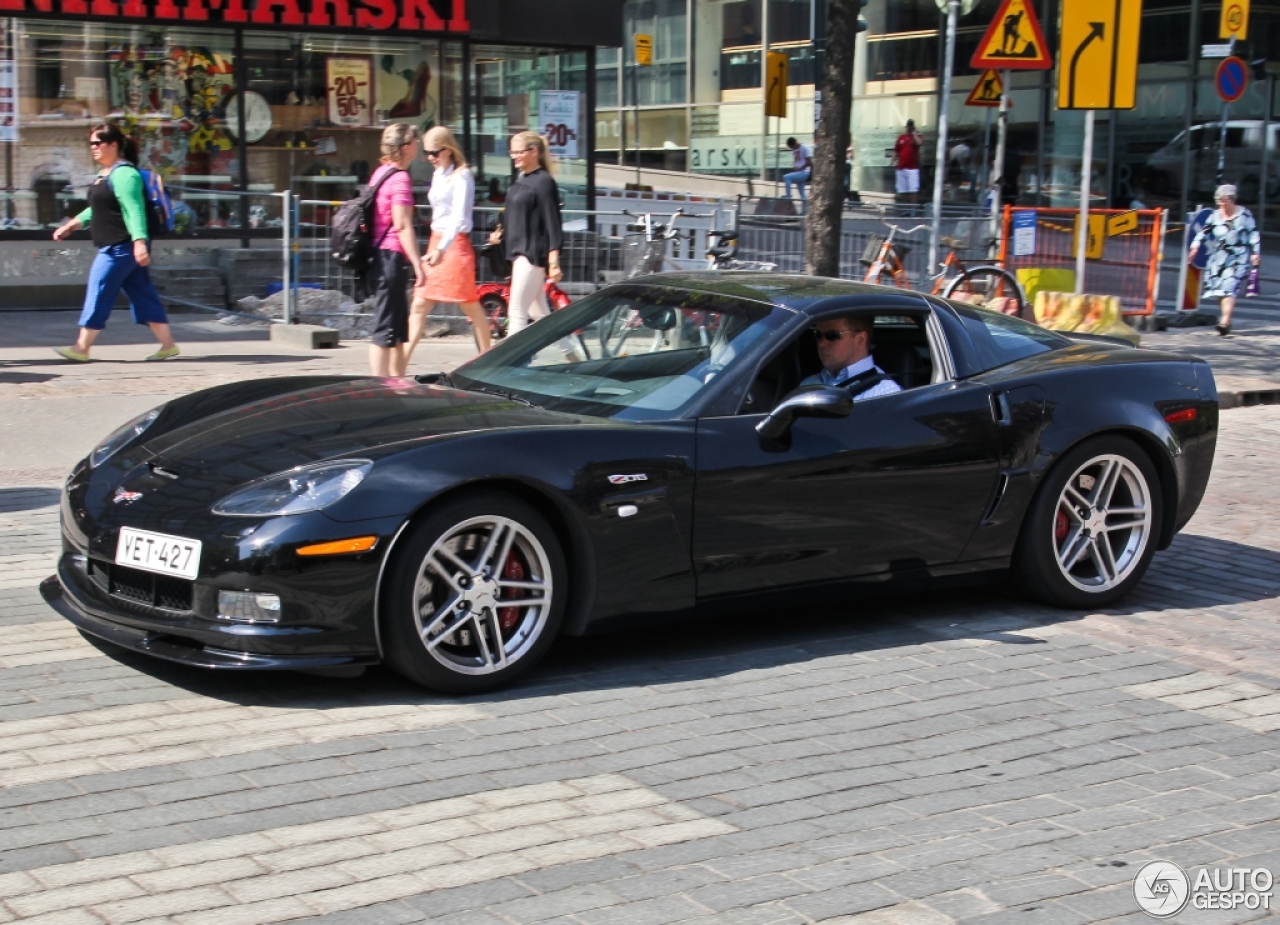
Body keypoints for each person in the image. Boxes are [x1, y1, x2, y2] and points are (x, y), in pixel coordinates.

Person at [50, 123, 178, 363]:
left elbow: (134, 210)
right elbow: (99, 209)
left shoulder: (124, 174)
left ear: (114, 145)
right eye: (91, 144)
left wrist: (139, 242)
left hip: (121, 246)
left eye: (98, 143)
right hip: (122, 245)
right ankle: (168, 345)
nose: (93, 148)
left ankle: (81, 348)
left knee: (99, 288)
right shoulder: (106, 174)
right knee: (142, 293)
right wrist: (72, 225)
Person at [404, 126, 490, 364]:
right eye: (427, 152)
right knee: (420, 302)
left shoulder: (462, 175)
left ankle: (486, 358)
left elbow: (459, 218)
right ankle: (400, 363)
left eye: (435, 152)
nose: (430, 157)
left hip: (453, 244)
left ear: (448, 149)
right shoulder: (439, 173)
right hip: (436, 241)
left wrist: (441, 248)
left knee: (470, 304)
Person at [366, 123, 425, 376]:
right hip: (390, 256)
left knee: (399, 329)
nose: (418, 144)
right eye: (414, 140)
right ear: (404, 147)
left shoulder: (381, 172)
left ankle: (398, 384)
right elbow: (402, 225)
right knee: (386, 328)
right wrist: (417, 263)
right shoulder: (399, 178)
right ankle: (381, 385)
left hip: (381, 255)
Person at [489, 132, 562, 335]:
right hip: (519, 252)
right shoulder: (522, 179)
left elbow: (553, 221)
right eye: (511, 152)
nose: (513, 156)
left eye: (518, 152)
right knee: (539, 315)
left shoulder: (544, 181)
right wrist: (500, 233)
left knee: (517, 310)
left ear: (534, 151)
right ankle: (574, 357)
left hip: (531, 254)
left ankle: (509, 364)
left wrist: (554, 260)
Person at [1189, 184, 1261, 336]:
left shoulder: (1244, 215)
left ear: (1232, 200)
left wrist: (1255, 253)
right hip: (1218, 258)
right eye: (1219, 200)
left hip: (1238, 257)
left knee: (1230, 287)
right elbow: (1203, 232)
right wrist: (1195, 247)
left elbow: (1253, 234)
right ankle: (1226, 321)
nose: (1221, 203)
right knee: (1220, 291)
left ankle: (1224, 321)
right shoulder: (1214, 216)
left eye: (1225, 200)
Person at [799, 315, 903, 401]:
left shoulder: (885, 394)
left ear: (860, 340)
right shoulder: (807, 384)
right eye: (818, 335)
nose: (822, 343)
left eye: (832, 336)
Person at [892, 120, 923, 204]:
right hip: (901, 167)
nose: (909, 127)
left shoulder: (917, 136)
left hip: (912, 168)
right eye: (908, 126)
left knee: (913, 189)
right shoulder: (901, 137)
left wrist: (914, 133)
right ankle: (906, 208)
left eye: (911, 126)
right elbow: (896, 150)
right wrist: (892, 160)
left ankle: (913, 209)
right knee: (903, 190)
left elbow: (919, 143)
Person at [782, 137, 812, 202]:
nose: (792, 149)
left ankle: (788, 195)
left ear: (794, 143)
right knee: (802, 194)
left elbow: (809, 162)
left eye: (791, 147)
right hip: (799, 172)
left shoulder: (805, 148)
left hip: (805, 172)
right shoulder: (794, 149)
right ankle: (804, 211)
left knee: (786, 177)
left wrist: (800, 168)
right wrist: (795, 166)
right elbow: (796, 159)